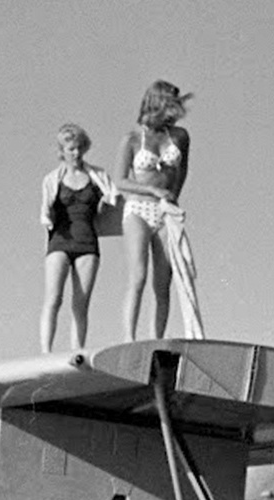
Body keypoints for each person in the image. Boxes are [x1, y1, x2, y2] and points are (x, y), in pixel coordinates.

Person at [114, 81, 194, 340]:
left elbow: (181, 172)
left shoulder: (179, 136)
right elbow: (120, 180)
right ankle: (129, 338)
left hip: (164, 211)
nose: (175, 113)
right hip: (138, 207)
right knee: (138, 275)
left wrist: (172, 199)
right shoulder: (133, 139)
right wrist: (153, 191)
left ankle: (156, 338)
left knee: (163, 282)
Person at [39, 124, 118, 353]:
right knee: (54, 298)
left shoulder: (98, 177)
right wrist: (49, 215)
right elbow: (45, 212)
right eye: (71, 149)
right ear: (62, 151)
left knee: (81, 303)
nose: (76, 153)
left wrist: (106, 203)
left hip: (87, 243)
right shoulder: (52, 180)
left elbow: (115, 200)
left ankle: (78, 351)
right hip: (60, 241)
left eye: (79, 148)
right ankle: (45, 351)